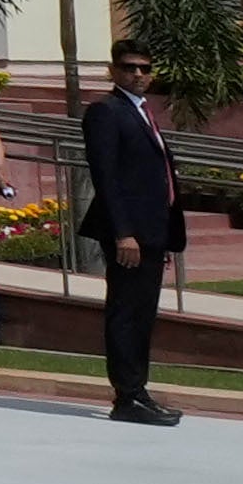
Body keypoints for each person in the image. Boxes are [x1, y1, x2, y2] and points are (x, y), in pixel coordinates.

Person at [78, 42, 187, 424]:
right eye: (129, 67)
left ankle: (138, 391)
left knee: (143, 314)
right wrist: (123, 233)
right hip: (130, 236)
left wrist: (163, 234)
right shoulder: (106, 112)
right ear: (113, 71)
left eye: (144, 68)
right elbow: (106, 177)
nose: (138, 74)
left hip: (152, 232)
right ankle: (127, 395)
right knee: (127, 312)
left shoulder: (141, 112)